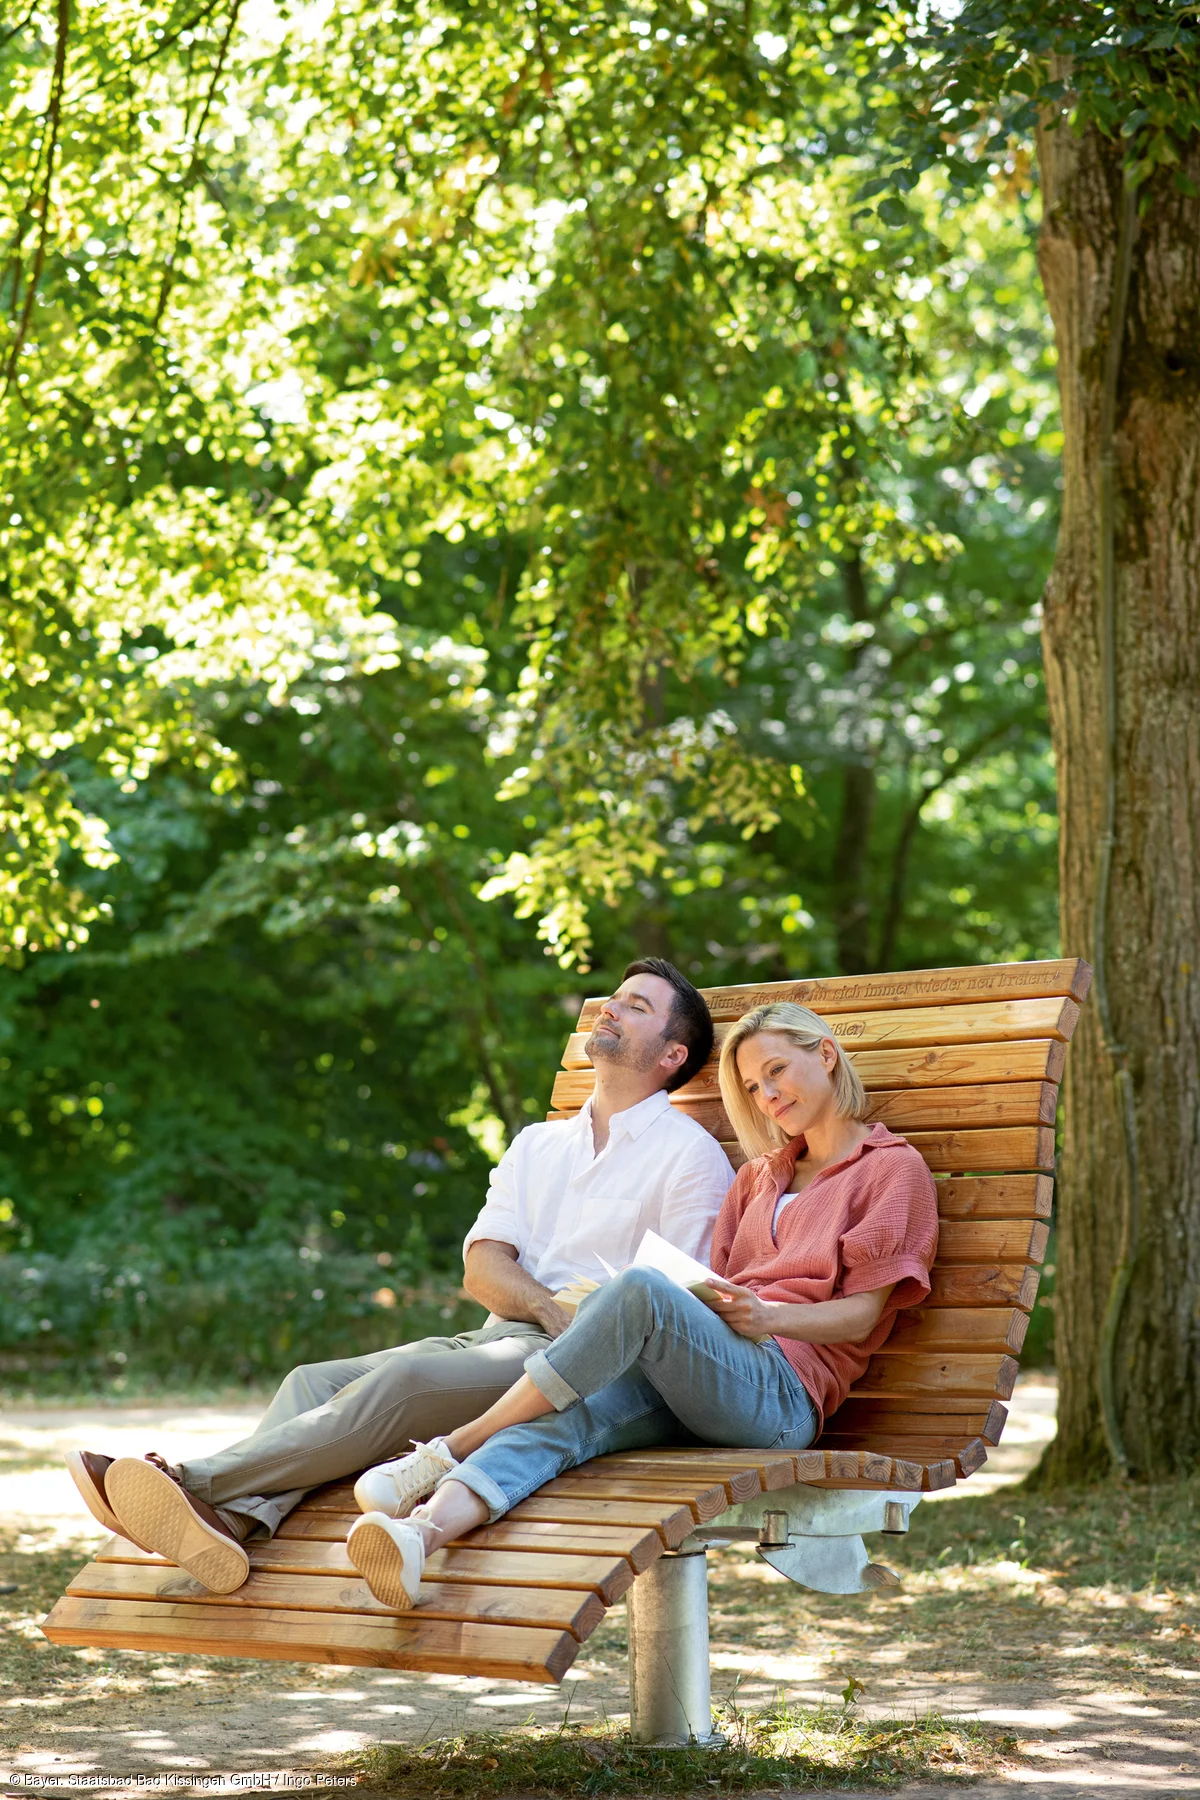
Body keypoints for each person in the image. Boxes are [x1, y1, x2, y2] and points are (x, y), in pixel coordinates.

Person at [65, 958, 733, 1594]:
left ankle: (190, 1480)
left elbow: (664, 1306)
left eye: (636, 1007)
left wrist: (565, 1325)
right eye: (613, 999)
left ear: (672, 1055)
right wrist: (542, 1305)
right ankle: (232, 1528)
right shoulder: (540, 1144)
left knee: (406, 1384)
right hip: (505, 1337)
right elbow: (484, 1267)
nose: (611, 1009)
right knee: (311, 1381)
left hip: (582, 1366)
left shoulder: (689, 1158)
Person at [342, 1000, 939, 1612]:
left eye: (778, 1071)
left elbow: (864, 1315)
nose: (768, 1096)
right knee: (574, 1417)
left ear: (827, 1054)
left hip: (785, 1395)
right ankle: (419, 1536)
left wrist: (768, 1317)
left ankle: (453, 1447)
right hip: (712, 1375)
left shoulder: (891, 1172)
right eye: (755, 1087)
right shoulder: (760, 1177)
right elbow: (717, 1281)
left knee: (640, 1286)